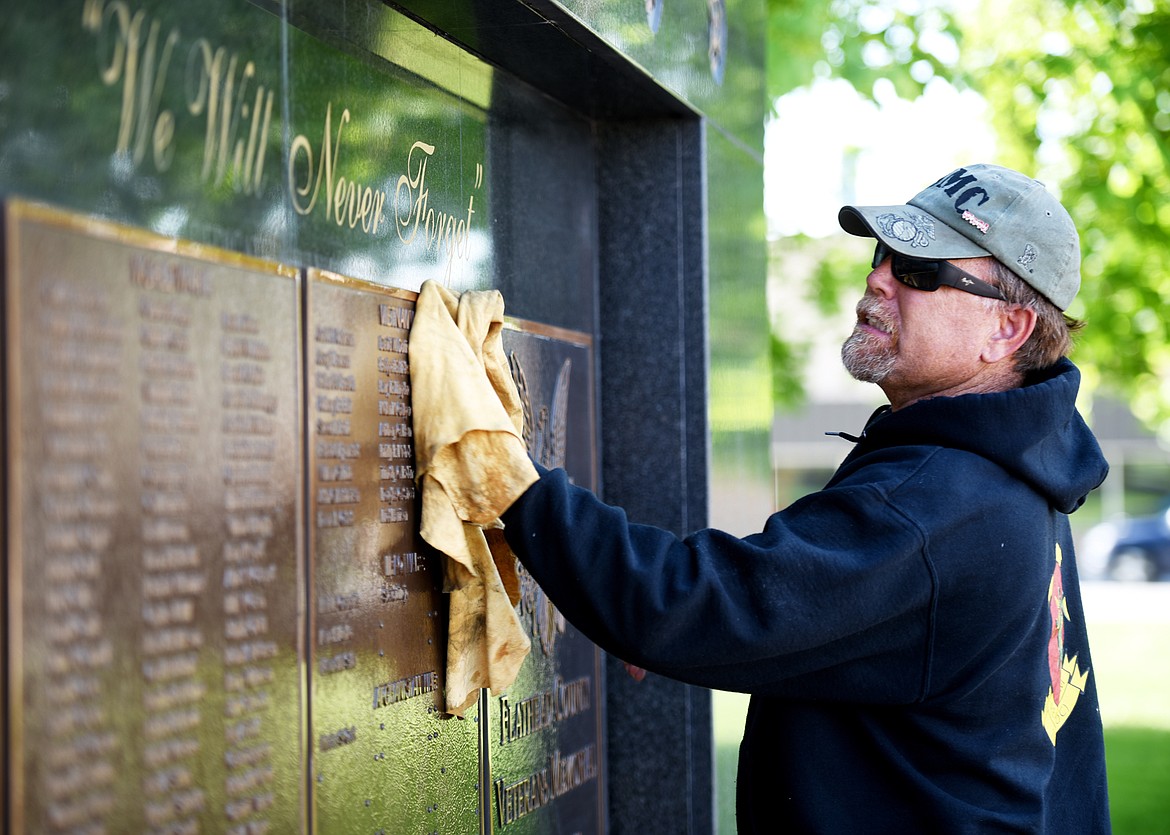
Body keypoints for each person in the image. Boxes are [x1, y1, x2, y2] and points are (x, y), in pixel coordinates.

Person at [498, 163, 1111, 832]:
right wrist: (716, 633)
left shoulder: (941, 501)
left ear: (1009, 330)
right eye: (885, 255)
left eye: (918, 271)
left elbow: (683, 602)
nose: (878, 279)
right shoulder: (1018, 469)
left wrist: (499, 470)